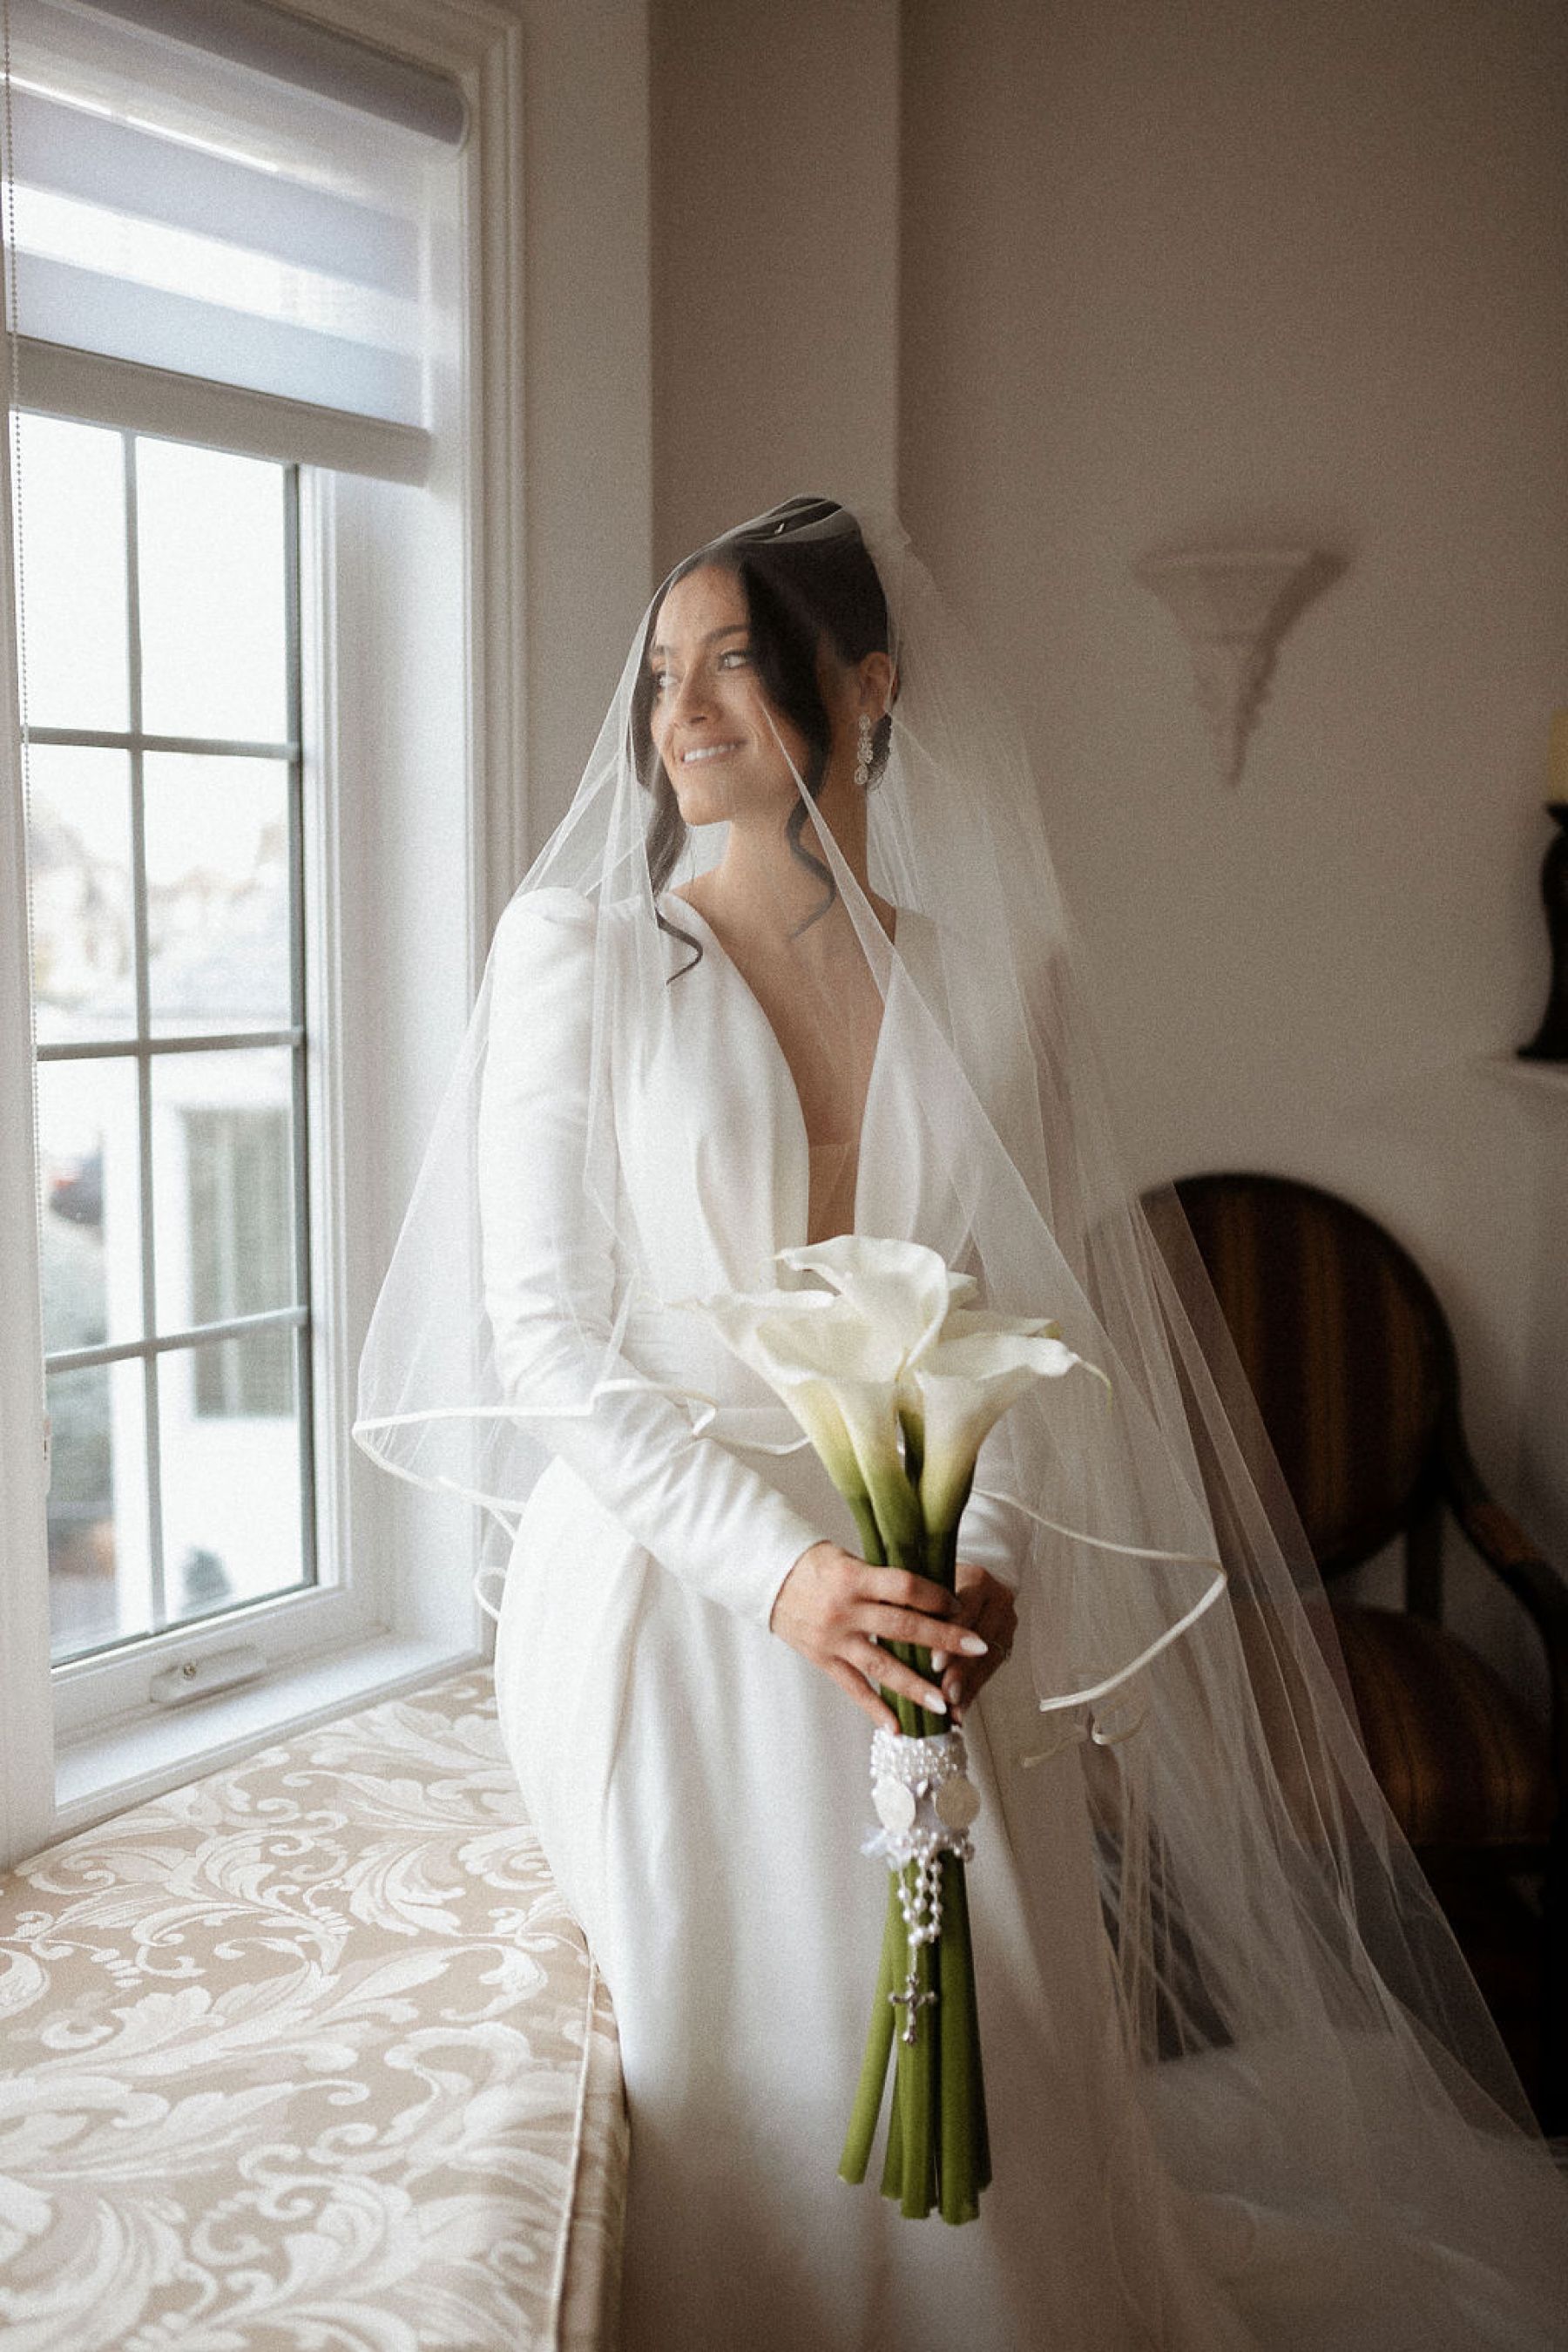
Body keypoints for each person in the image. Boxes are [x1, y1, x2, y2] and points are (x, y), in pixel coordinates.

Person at [356, 497, 1568, 2349]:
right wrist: (789, 1584)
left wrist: (979, 1571)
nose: (677, 710)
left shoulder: (1004, 980)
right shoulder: (576, 958)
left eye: (732, 662)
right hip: (678, 1592)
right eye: (661, 671)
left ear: (869, 686)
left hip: (925, 1562)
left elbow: (1016, 1322)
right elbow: (549, 1342)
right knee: (763, 2012)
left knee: (992, 1989)